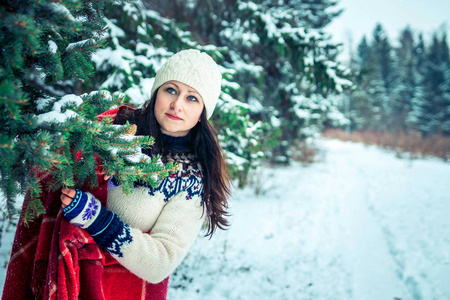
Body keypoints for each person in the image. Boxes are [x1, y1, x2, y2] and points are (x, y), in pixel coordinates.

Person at [2, 49, 231, 300]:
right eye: (171, 90)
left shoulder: (190, 179)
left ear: (203, 112)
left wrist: (96, 218)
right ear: (157, 92)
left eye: (192, 98)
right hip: (56, 274)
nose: (177, 104)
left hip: (114, 290)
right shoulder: (114, 126)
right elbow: (48, 160)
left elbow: (160, 261)